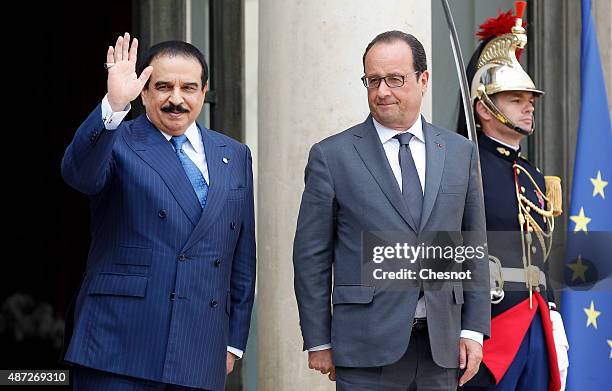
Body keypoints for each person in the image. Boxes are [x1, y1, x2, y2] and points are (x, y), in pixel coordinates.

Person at [293, 30, 491, 390]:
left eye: (395, 79)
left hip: (441, 348)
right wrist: (319, 339)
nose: (382, 91)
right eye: (373, 80)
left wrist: (474, 329)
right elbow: (311, 256)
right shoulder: (332, 156)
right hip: (365, 347)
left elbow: (471, 247)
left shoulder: (460, 153)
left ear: (423, 79)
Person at [61, 33, 256, 391]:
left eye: (189, 87)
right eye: (163, 86)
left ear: (204, 90)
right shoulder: (117, 139)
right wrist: (114, 105)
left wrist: (233, 341)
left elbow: (241, 255)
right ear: (145, 91)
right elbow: (79, 175)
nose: (176, 99)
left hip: (200, 345)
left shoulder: (234, 154)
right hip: (120, 341)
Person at [457, 8, 569, 391]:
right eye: (514, 98)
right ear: (484, 108)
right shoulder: (462, 169)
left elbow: (539, 252)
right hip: (489, 326)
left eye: (530, 98)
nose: (529, 105)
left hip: (536, 319)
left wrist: (551, 310)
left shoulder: (533, 175)